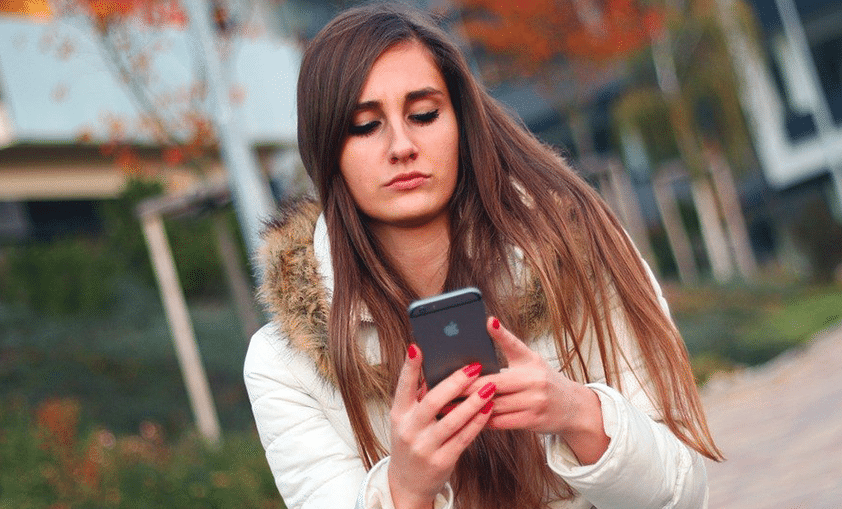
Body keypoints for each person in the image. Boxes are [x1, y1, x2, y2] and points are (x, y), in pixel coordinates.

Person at [244, 3, 723, 509]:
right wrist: (404, 490)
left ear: (460, 122)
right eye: (365, 126)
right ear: (326, 148)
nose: (401, 145)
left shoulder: (579, 255)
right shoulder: (284, 366)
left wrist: (580, 414)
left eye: (424, 114)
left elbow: (684, 494)